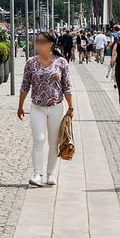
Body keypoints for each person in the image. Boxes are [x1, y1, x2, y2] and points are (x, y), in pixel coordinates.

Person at [17, 31, 74, 188]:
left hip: (56, 107)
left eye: (42, 42)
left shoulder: (61, 62)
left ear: (51, 44)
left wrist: (71, 107)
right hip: (37, 107)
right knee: (39, 139)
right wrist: (20, 106)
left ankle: (50, 173)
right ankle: (37, 174)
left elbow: (67, 86)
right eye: (37, 42)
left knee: (53, 141)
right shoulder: (31, 63)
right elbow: (25, 85)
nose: (38, 45)